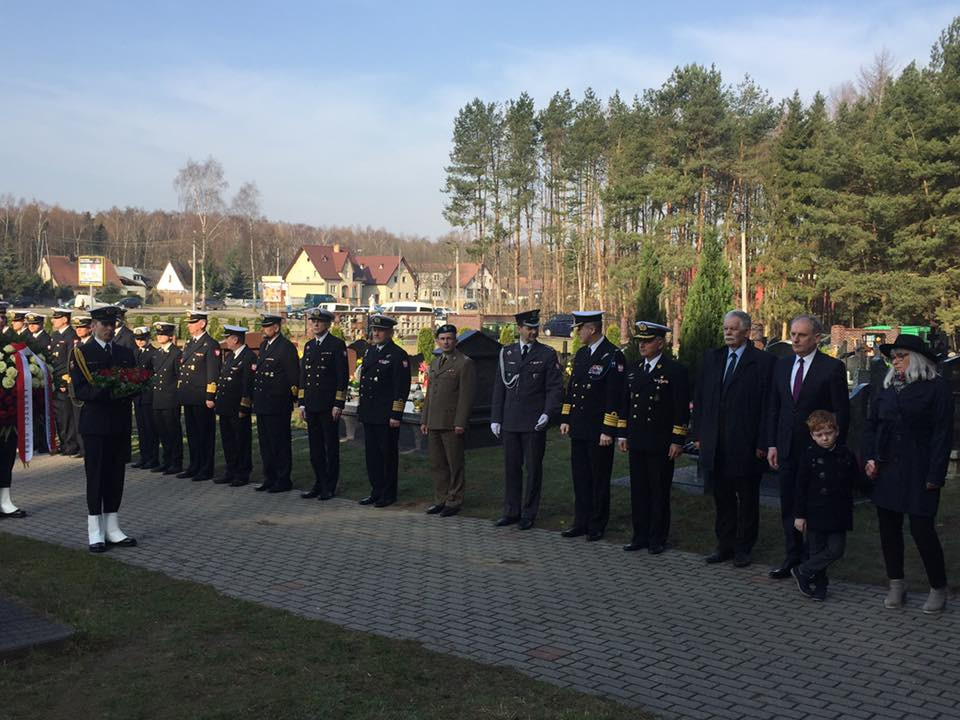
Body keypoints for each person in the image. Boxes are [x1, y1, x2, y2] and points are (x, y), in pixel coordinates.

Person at [864, 334, 953, 614]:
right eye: (893, 357)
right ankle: (896, 584)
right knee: (889, 529)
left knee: (921, 529)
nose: (896, 361)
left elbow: (942, 434)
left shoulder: (936, 388)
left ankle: (938, 587)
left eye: (901, 356)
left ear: (916, 358)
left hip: (920, 469)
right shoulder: (888, 387)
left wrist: (935, 475)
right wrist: (869, 457)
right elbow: (872, 425)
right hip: (888, 467)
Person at [767, 314, 849, 579]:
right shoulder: (782, 365)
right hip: (787, 448)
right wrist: (772, 444)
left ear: (816, 338)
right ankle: (792, 557)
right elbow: (775, 407)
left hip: (817, 451)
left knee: (814, 507)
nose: (795, 339)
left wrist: (834, 448)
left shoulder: (831, 367)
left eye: (801, 335)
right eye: (792, 333)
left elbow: (841, 411)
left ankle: (814, 562)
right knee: (789, 505)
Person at [692, 310, 775, 567]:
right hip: (716, 443)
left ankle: (744, 547)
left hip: (746, 444)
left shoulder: (762, 362)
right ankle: (724, 545)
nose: (727, 332)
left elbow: (768, 406)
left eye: (733, 329)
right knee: (722, 497)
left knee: (747, 499)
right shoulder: (712, 358)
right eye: (726, 328)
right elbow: (701, 398)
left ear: (747, 332)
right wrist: (698, 434)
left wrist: (763, 442)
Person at [69, 305, 138, 553]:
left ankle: (113, 527)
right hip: (96, 424)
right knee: (96, 476)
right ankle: (95, 531)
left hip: (118, 423)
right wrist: (108, 390)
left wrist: (131, 389)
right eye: (104, 324)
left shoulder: (124, 352)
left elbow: (134, 380)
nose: (109, 329)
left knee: (115, 476)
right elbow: (80, 390)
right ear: (94, 326)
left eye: (112, 325)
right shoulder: (82, 353)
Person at [617, 321, 690, 554]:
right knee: (638, 490)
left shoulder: (674, 371)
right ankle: (639, 535)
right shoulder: (635, 369)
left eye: (647, 341)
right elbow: (625, 404)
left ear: (660, 343)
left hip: (660, 442)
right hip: (638, 439)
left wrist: (677, 440)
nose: (642, 346)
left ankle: (657, 537)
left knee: (658, 491)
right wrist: (622, 433)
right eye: (640, 341)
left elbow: (681, 409)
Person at [490, 309, 563, 530]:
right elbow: (499, 387)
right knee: (512, 468)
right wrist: (496, 417)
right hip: (511, 420)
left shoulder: (547, 354)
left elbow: (554, 388)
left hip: (533, 421)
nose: (533, 332)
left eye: (535, 328)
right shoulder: (507, 353)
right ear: (519, 329)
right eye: (529, 328)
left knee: (533, 468)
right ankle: (511, 510)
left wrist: (548, 413)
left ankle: (529, 512)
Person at [559, 311, 625, 541]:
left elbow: (614, 396)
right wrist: (566, 418)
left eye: (581, 328)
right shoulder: (582, 353)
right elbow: (572, 389)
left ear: (593, 329)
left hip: (599, 430)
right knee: (581, 477)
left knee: (598, 478)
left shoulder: (612, 355)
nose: (578, 332)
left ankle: (597, 524)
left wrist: (608, 429)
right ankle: (581, 521)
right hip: (579, 426)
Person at [791, 410, 863, 601]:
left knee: (836, 549)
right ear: (812, 435)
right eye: (819, 435)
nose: (824, 438)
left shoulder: (845, 453)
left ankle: (802, 571)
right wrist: (799, 515)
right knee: (817, 550)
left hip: (838, 511)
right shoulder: (808, 456)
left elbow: (856, 479)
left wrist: (870, 478)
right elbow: (800, 487)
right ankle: (820, 585)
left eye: (828, 433)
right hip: (815, 511)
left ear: (836, 432)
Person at [420, 323, 476, 517]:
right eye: (442, 339)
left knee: (454, 463)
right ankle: (440, 499)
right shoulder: (436, 362)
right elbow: (430, 394)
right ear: (438, 341)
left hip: (452, 422)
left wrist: (460, 422)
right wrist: (424, 419)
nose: (446, 342)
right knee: (437, 463)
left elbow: (466, 396)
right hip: (434, 421)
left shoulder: (464, 363)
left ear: (456, 341)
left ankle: (454, 500)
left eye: (449, 338)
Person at [358, 314, 410, 507]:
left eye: (380, 330)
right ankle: (376, 490)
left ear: (390, 332)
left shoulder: (398, 355)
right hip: (370, 413)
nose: (376, 333)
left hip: (386, 415)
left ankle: (388, 493)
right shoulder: (369, 352)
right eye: (374, 329)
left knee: (387, 455)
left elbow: (401, 387)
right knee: (372, 455)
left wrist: (396, 414)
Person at [298, 308, 348, 500]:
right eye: (313, 321)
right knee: (315, 447)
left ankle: (330, 485)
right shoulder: (310, 346)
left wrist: (338, 403)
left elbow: (341, 377)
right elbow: (304, 376)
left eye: (320, 321)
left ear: (328, 324)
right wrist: (302, 402)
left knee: (330, 447)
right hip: (311, 404)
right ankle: (318, 482)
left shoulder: (336, 345)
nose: (316, 324)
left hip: (328, 405)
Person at [252, 315, 300, 493]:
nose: (264, 329)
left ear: (276, 328)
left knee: (279, 443)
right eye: (263, 326)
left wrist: (292, 398)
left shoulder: (286, 347)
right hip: (263, 403)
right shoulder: (265, 346)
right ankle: (269, 477)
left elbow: (293, 377)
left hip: (278, 403)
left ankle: (283, 479)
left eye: (267, 326)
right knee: (265, 444)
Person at [175, 310, 221, 481]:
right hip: (189, 395)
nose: (189, 325)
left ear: (202, 324)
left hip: (202, 397)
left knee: (204, 434)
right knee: (193, 434)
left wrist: (210, 396)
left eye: (192, 322)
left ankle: (205, 468)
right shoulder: (189, 343)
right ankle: (194, 465)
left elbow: (213, 373)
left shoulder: (210, 344)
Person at [214, 325, 255, 487]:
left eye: (228, 338)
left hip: (237, 408)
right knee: (228, 441)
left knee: (241, 441)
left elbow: (247, 384)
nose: (226, 341)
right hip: (226, 406)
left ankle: (242, 473)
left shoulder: (248, 357)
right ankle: (230, 470)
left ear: (236, 339)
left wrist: (244, 406)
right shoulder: (231, 356)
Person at [150, 322, 183, 475]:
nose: (160, 336)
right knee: (162, 431)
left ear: (170, 336)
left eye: (163, 334)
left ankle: (176, 462)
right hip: (157, 398)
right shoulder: (157, 353)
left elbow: (179, 377)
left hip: (170, 399)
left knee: (173, 432)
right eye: (158, 334)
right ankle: (166, 460)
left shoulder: (176, 353)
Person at [48, 308, 81, 456]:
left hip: (64, 381)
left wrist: (63, 381)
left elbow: (70, 360)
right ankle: (64, 443)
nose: (53, 321)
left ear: (64, 320)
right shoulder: (55, 335)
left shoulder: (71, 336)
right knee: (59, 415)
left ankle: (71, 444)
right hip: (54, 380)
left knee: (67, 415)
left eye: (56, 318)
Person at [131, 326, 159, 469]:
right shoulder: (135, 352)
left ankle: (153, 458)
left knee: (150, 428)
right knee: (141, 428)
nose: (140, 342)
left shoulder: (154, 353)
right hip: (138, 396)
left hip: (149, 395)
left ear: (148, 338)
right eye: (137, 339)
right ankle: (144, 456)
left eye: (142, 339)